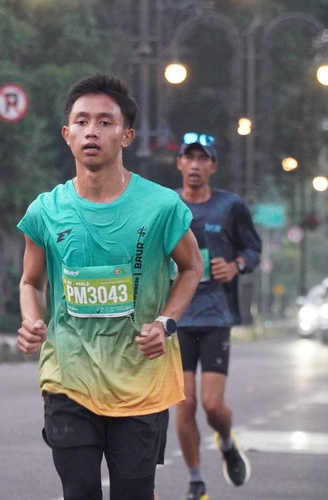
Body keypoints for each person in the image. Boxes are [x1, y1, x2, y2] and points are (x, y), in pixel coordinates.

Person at [16, 74, 203, 500]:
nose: (92, 132)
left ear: (126, 135)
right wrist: (31, 321)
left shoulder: (161, 206)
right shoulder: (45, 210)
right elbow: (30, 281)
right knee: (79, 491)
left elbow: (192, 267)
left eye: (105, 122)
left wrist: (166, 322)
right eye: (81, 122)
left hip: (141, 381)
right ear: (67, 134)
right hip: (69, 376)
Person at [173, 133, 261, 500]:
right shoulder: (167, 205)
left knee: (211, 405)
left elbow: (253, 248)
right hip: (176, 316)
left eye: (202, 159)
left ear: (213, 166)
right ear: (179, 163)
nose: (195, 165)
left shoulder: (230, 206)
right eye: (189, 158)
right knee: (184, 402)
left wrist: (236, 265)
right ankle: (196, 481)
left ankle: (225, 440)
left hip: (215, 316)